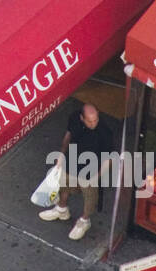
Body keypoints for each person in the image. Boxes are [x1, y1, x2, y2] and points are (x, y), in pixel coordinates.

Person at [37, 103, 117, 241]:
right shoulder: (74, 118)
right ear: (82, 118)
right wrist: (62, 154)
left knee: (90, 197)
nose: (94, 123)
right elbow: (68, 134)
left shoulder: (105, 132)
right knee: (63, 185)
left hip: (91, 170)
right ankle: (62, 209)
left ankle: (84, 221)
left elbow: (110, 157)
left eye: (96, 120)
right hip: (72, 160)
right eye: (90, 121)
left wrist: (97, 176)